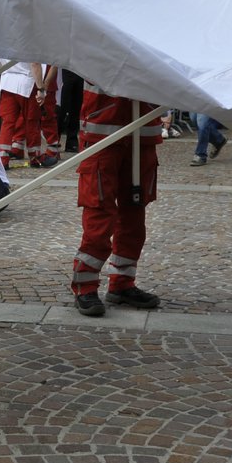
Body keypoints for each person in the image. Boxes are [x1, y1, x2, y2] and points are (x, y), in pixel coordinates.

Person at [70, 82, 163, 316]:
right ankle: (86, 285)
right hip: (104, 130)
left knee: (134, 211)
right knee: (99, 213)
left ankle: (122, 282)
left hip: (142, 130)